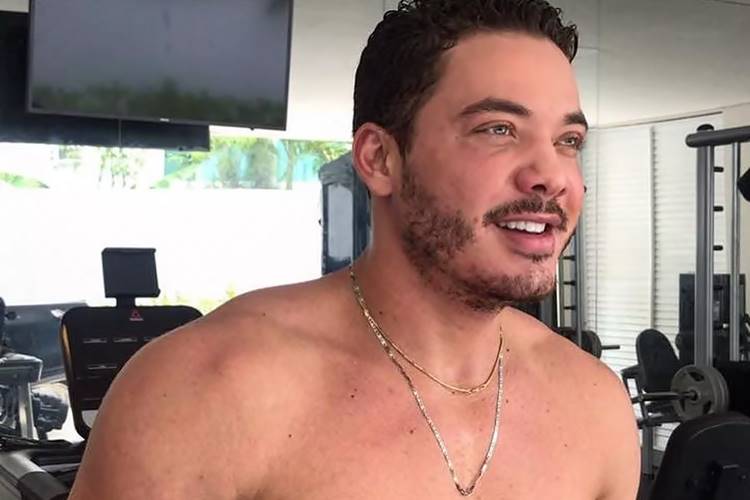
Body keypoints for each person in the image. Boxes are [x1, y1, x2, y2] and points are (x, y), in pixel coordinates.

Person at [69, 0, 641, 498]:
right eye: (498, 129)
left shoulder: (594, 407)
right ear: (379, 159)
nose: (551, 176)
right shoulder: (199, 393)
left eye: (568, 141)